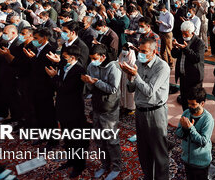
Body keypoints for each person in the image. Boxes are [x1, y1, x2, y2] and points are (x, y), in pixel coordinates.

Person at [120, 38, 170, 180]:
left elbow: (149, 91)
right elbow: (131, 89)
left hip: (155, 112)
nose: (140, 54)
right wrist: (129, 76)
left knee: (159, 152)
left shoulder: (162, 67)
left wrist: (135, 76)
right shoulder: (138, 63)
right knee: (143, 150)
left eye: (144, 52)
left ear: (154, 52)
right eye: (139, 51)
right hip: (140, 111)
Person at [45, 44, 88, 178]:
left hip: (74, 109)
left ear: (73, 57)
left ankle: (79, 165)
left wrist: (54, 77)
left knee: (76, 139)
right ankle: (71, 160)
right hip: (63, 107)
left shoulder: (79, 70)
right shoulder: (65, 66)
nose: (63, 59)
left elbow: (65, 88)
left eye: (65, 57)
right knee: (67, 138)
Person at [84, 44, 122, 180]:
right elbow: (89, 86)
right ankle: (105, 165)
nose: (92, 61)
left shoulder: (113, 67)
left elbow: (113, 89)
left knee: (111, 139)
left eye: (95, 58)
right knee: (99, 139)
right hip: (97, 106)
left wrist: (96, 82)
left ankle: (117, 166)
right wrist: (88, 82)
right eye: (91, 58)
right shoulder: (91, 66)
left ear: (103, 57)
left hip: (109, 108)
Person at [175, 87, 215, 180]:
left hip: (201, 163)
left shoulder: (208, 119)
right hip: (187, 160)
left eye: (193, 104)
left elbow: (203, 142)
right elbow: (178, 134)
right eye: (189, 103)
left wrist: (190, 128)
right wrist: (184, 129)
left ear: (202, 103)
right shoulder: (186, 113)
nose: (190, 106)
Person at [172, 21, 205, 110]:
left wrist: (185, 49)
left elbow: (196, 59)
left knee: (194, 103)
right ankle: (186, 118)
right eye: (182, 33)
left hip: (194, 79)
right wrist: (175, 47)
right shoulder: (180, 39)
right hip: (183, 77)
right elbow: (174, 55)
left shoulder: (199, 43)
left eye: (186, 34)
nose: (184, 36)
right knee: (184, 101)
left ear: (192, 33)